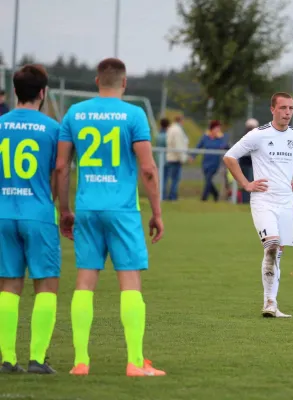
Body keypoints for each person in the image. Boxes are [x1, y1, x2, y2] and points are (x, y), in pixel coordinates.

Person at [55, 57, 165, 377]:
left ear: (96, 80)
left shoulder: (74, 113)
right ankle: (134, 362)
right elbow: (147, 168)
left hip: (87, 208)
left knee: (85, 282)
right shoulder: (134, 114)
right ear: (125, 82)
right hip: (122, 211)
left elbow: (62, 167)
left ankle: (80, 362)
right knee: (129, 283)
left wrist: (64, 209)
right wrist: (157, 212)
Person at [223, 92, 293, 318]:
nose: (287, 113)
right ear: (272, 109)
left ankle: (271, 303)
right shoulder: (258, 135)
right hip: (263, 201)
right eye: (283, 108)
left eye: (291, 108)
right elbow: (230, 157)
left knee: (277, 253)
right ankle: (269, 302)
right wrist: (245, 183)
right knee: (271, 244)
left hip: (286, 203)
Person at [0, 64, 60, 374]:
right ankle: (37, 359)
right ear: (42, 92)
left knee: (8, 286)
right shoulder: (52, 129)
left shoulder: (0, 125)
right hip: (38, 213)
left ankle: (7, 359)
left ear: (14, 92)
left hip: (4, 213)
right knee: (46, 285)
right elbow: (57, 172)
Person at [194, 120, 229, 201]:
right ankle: (215, 194)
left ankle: (204, 198)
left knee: (208, 179)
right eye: (217, 128)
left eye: (219, 128)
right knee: (208, 180)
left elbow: (226, 146)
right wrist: (193, 156)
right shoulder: (205, 137)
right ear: (212, 129)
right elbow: (199, 146)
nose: (218, 130)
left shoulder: (221, 138)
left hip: (215, 163)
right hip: (205, 162)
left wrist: (224, 145)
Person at [164, 114, 188, 201]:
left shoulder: (170, 129)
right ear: (181, 121)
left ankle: (167, 196)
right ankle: (172, 197)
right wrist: (182, 158)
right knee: (175, 179)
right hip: (175, 158)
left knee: (168, 178)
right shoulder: (177, 130)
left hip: (170, 157)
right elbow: (178, 145)